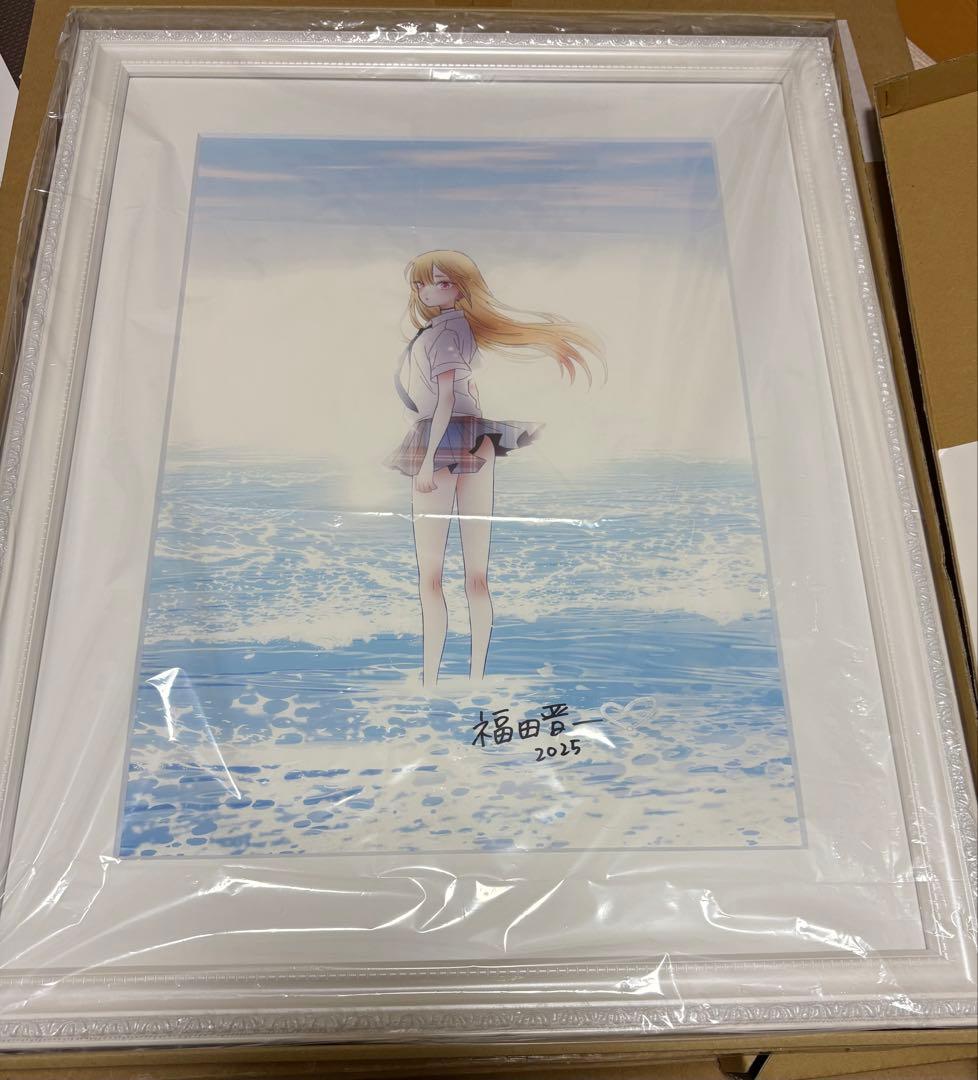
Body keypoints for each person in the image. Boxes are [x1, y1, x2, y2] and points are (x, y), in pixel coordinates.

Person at [384, 249, 605, 685]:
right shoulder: (456, 329)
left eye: (439, 282)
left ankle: (431, 684)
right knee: (475, 576)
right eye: (422, 283)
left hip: (442, 441)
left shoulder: (444, 333)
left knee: (433, 578)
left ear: (460, 288)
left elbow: (446, 401)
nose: (426, 291)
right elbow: (463, 395)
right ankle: (475, 682)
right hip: (476, 439)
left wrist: (427, 461)